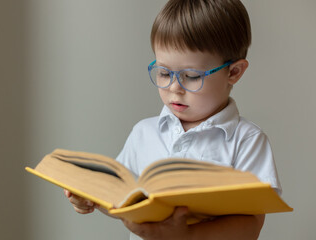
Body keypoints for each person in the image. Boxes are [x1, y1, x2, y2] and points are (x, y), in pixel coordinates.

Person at [64, 0, 282, 239]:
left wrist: (186, 236)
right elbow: (123, 201)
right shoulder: (143, 133)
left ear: (233, 72)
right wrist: (93, 199)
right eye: (164, 72)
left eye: (190, 76)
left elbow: (251, 225)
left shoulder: (247, 140)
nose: (174, 88)